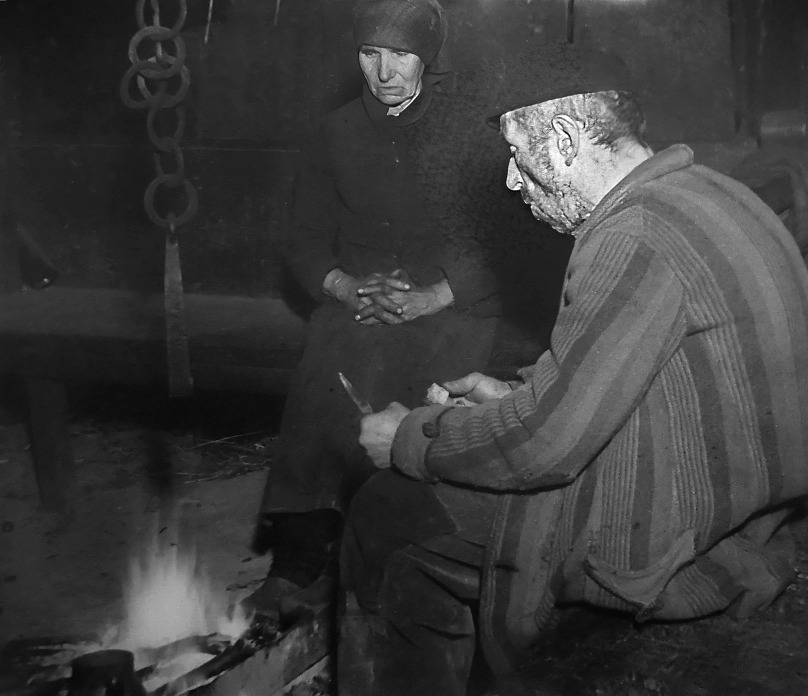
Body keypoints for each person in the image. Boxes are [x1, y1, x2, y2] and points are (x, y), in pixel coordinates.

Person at [340, 48, 808, 696]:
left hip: (678, 552)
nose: (512, 180)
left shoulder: (632, 235)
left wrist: (409, 437)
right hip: (753, 525)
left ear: (563, 139)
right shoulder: (716, 194)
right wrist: (517, 394)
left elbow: (547, 447)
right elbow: (644, 371)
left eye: (516, 153)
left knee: (386, 512)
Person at [247, 0, 537, 619]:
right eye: (370, 53)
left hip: (456, 302)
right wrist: (346, 288)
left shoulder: (471, 130)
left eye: (401, 54)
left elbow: (507, 243)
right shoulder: (334, 132)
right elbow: (303, 241)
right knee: (327, 371)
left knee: (427, 382)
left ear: (426, 57)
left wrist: (432, 296)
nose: (384, 72)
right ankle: (300, 559)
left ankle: (391, 552)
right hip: (362, 303)